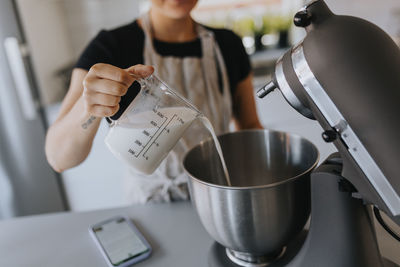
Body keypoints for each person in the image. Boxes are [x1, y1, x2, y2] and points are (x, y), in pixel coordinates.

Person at [45, 0, 263, 204]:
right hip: (150, 203)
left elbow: (250, 127)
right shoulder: (110, 47)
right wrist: (87, 107)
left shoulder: (228, 44)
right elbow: (59, 159)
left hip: (218, 197)